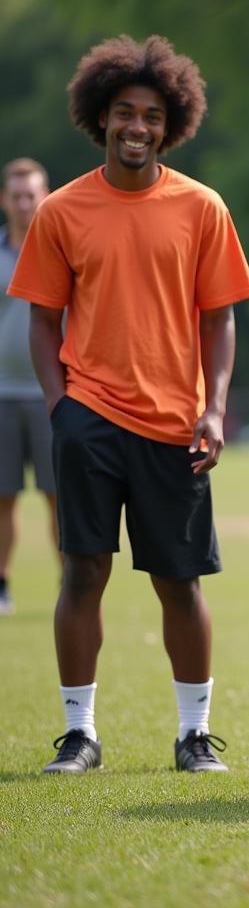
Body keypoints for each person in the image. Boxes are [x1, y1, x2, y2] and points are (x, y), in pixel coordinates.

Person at [7, 35, 249, 774]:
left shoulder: (200, 207)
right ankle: (80, 734)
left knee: (179, 583)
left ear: (170, 121)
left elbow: (220, 317)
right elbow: (43, 319)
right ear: (101, 117)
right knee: (81, 573)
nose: (137, 128)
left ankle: (193, 735)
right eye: (124, 113)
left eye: (151, 115)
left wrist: (213, 410)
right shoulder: (61, 210)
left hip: (177, 425)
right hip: (88, 418)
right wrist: (61, 409)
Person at [1, 158, 60, 615]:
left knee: (58, 495)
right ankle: (2, 584)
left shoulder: (60, 252)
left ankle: (70, 583)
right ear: (6, 200)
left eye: (31, 195)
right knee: (3, 499)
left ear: (44, 198)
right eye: (16, 195)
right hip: (1, 397)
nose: (24, 204)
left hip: (49, 395)